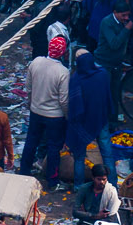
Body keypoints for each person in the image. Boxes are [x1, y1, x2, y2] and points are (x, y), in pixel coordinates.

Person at [65, 47, 116, 193]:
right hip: (100, 120)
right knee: (107, 153)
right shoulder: (102, 74)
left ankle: (78, 187)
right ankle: (112, 184)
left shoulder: (76, 78)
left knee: (79, 156)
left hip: (83, 123)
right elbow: (107, 96)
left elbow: (74, 105)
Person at [22, 35, 71, 184]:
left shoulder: (35, 62)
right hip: (55, 117)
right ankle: (52, 180)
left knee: (31, 142)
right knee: (53, 147)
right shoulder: (63, 72)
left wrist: (31, 104)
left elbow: (28, 88)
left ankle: (24, 172)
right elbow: (64, 100)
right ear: (63, 52)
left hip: (36, 111)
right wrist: (67, 116)